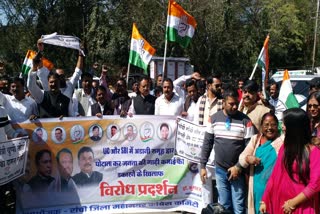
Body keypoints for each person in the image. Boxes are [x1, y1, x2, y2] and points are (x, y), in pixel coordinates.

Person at [200, 88, 257, 213]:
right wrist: (202, 165)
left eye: (236, 103)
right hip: (220, 171)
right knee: (223, 206)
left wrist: (238, 167)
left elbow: (250, 149)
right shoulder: (213, 119)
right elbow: (207, 143)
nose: (235, 106)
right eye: (231, 104)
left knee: (239, 207)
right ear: (224, 103)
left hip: (238, 172)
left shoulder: (246, 121)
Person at [260, 108, 320, 214]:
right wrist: (265, 199)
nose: (282, 127)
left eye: (284, 124)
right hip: (280, 205)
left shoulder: (314, 153)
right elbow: (275, 176)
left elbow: (314, 185)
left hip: (301, 207)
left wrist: (293, 203)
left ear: (294, 128)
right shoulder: (285, 148)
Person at [238, 112, 283, 214]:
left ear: (277, 126)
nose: (269, 128)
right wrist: (248, 158)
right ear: (261, 126)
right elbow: (242, 157)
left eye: (273, 124)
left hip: (275, 189)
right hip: (256, 188)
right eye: (266, 125)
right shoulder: (256, 139)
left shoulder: (282, 141)